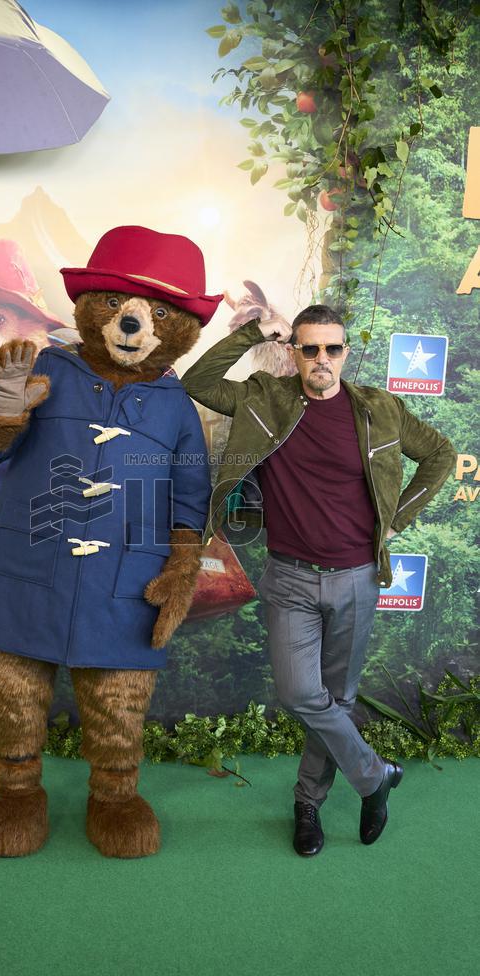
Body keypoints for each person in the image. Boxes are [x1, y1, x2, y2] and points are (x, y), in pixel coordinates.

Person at [181, 304, 456, 856]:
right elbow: (198, 381)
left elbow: (442, 455)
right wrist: (253, 331)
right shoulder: (265, 398)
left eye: (332, 348)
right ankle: (374, 777)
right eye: (310, 348)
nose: (322, 359)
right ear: (295, 352)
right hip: (289, 579)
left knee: (337, 698)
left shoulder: (379, 409)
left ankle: (308, 804)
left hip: (357, 578)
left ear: (346, 353)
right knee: (301, 693)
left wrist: (397, 519)